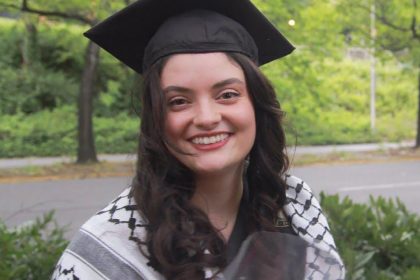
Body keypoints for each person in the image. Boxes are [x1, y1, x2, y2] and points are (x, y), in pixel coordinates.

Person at [52, 0, 345, 279]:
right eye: (179, 101)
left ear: (256, 104)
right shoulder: (110, 246)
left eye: (227, 95)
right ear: (156, 118)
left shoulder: (293, 205)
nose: (206, 117)